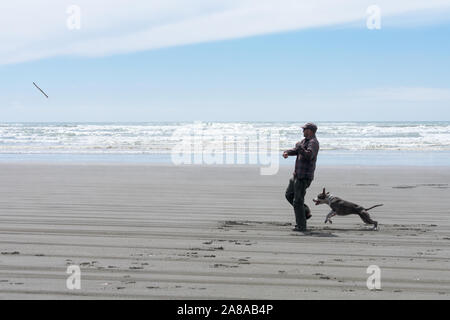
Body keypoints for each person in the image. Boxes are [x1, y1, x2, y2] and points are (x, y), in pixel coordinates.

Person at [283, 123, 320, 232]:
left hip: (304, 176)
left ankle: (301, 226)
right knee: (289, 195)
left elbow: (309, 155)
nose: (302, 131)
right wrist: (287, 152)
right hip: (296, 175)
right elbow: (296, 150)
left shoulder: (313, 143)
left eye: (304, 129)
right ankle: (305, 211)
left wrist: (299, 147)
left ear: (310, 131)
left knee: (297, 201)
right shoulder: (304, 141)